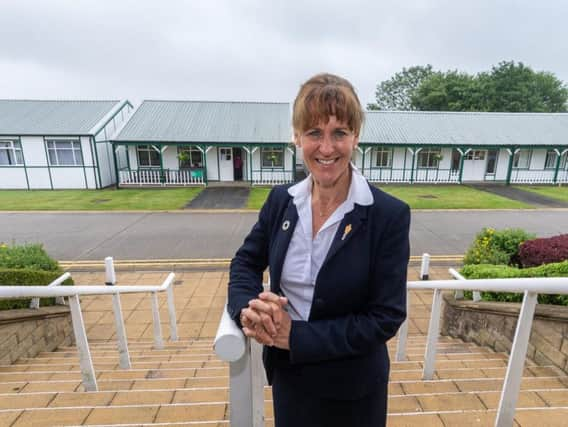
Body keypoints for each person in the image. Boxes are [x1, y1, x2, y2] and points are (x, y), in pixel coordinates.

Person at [228, 73, 410, 427]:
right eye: (314, 133)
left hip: (355, 389)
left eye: (339, 133)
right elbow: (245, 262)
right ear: (296, 137)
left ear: (355, 137)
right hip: (290, 380)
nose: (326, 148)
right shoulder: (282, 201)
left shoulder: (388, 215)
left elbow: (385, 316)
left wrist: (296, 335)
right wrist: (249, 311)